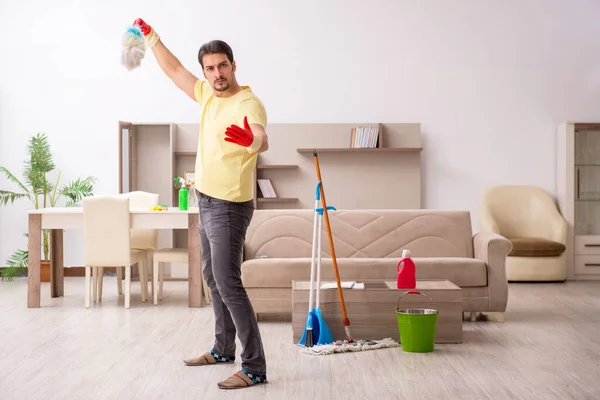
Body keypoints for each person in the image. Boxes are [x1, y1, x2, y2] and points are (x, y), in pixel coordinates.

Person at [132, 18, 268, 390]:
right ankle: (223, 349)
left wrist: (252, 143)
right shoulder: (207, 95)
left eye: (222, 65)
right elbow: (175, 69)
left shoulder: (248, 102)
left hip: (229, 205)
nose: (216, 73)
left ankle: (254, 366)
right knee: (212, 278)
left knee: (228, 282)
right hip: (205, 201)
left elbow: (261, 138)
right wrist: (152, 37)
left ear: (233, 65)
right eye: (210, 68)